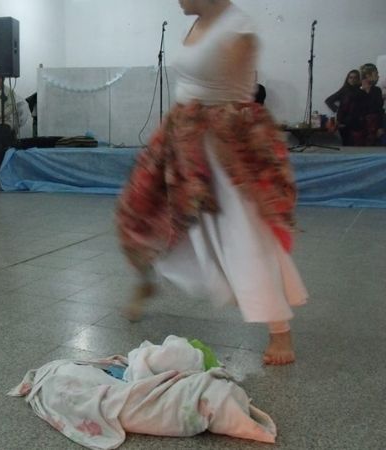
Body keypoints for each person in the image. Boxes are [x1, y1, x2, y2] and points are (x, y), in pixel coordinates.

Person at [116, 0, 308, 366]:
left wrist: (231, 163)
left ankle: (280, 330)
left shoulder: (239, 31)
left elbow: (237, 100)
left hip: (220, 145)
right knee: (140, 210)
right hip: (181, 135)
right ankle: (146, 279)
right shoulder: (200, 19)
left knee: (244, 234)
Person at [325, 70, 367, 145]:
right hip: (344, 122)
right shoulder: (344, 90)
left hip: (357, 123)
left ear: (358, 79)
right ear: (347, 79)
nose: (353, 80)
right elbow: (328, 100)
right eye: (350, 77)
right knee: (347, 144)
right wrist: (337, 110)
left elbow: (364, 107)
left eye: (355, 78)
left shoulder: (362, 92)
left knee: (358, 145)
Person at [359, 63, 385, 146]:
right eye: (376, 74)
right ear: (368, 75)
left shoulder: (377, 90)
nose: (378, 76)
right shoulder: (357, 91)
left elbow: (380, 110)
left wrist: (380, 127)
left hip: (375, 125)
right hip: (359, 127)